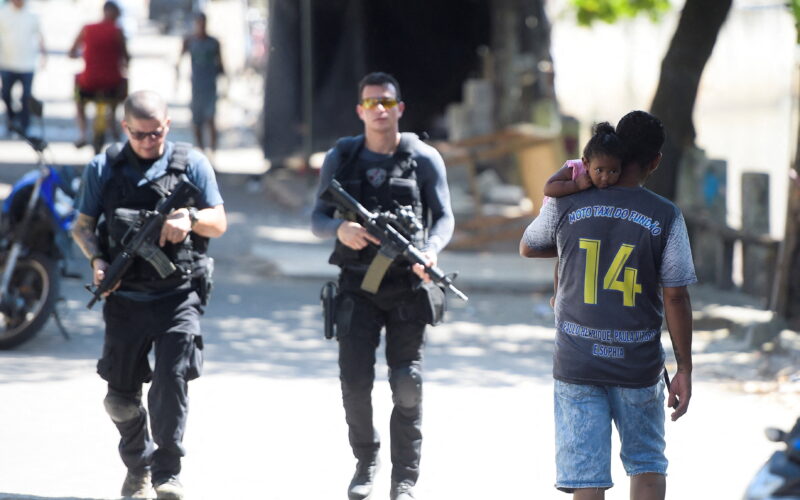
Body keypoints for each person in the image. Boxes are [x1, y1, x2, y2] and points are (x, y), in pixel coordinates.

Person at [519, 110, 695, 500]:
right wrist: (684, 368)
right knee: (647, 463)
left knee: (587, 477)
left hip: (577, 362)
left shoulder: (567, 200)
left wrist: (573, 250)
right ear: (655, 161)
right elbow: (676, 296)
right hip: (638, 365)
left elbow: (529, 245)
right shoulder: (666, 216)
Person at [71, 90, 226, 500]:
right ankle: (138, 460)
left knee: (170, 382)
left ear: (168, 126)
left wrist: (189, 218)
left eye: (155, 134)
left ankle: (167, 473)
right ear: (125, 129)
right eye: (139, 135)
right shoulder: (103, 167)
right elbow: (82, 226)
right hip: (126, 299)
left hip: (178, 296)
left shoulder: (191, 163)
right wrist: (98, 262)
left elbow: (219, 221)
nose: (148, 142)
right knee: (119, 401)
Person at [311, 72, 454, 500]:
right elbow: (317, 219)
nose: (379, 109)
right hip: (357, 287)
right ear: (360, 110)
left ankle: (404, 479)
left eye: (387, 103)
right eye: (371, 102)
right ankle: (366, 460)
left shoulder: (422, 158)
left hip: (408, 288)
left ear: (399, 109)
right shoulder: (342, 157)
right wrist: (341, 230)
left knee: (407, 384)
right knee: (354, 381)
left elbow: (444, 217)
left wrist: (430, 250)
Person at [542, 122, 624, 307]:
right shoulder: (575, 169)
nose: (605, 177)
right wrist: (575, 185)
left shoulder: (617, 183)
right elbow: (548, 188)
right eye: (599, 170)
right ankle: (558, 295)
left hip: (582, 224)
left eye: (613, 171)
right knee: (563, 261)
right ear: (586, 163)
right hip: (557, 220)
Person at [69, 0, 130, 148]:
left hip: (88, 82)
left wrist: (80, 55)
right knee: (121, 89)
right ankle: (114, 121)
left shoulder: (87, 28)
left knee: (78, 98)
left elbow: (71, 51)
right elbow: (126, 56)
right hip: (112, 83)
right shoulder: (118, 31)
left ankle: (83, 132)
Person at [177, 12, 224, 154]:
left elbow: (221, 64)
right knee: (197, 122)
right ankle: (201, 149)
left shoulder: (213, 43)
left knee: (211, 119)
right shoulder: (190, 41)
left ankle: (213, 151)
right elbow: (179, 60)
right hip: (196, 87)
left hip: (210, 86)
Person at [0, 0, 46, 136]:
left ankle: (25, 125)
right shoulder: (3, 13)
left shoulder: (33, 13)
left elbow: (40, 35)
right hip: (7, 63)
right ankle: (11, 120)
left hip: (27, 64)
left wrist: (44, 56)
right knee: (6, 94)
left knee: (26, 96)